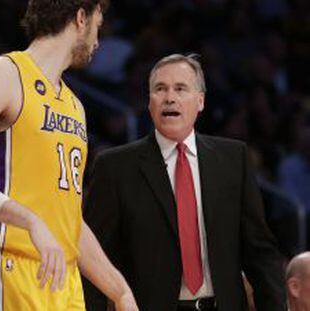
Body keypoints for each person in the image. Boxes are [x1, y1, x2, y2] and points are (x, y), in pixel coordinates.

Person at [0, 1, 138, 310]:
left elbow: (68, 220)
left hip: (62, 283)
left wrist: (119, 290)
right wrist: (29, 220)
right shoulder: (2, 75)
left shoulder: (74, 106)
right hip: (3, 268)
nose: (98, 40)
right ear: (81, 18)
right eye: (98, 24)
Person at [83, 54, 286, 311]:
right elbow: (93, 258)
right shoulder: (115, 167)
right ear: (149, 103)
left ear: (200, 101)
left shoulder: (234, 159)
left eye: (180, 88)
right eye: (160, 89)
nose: (169, 97)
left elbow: (260, 252)